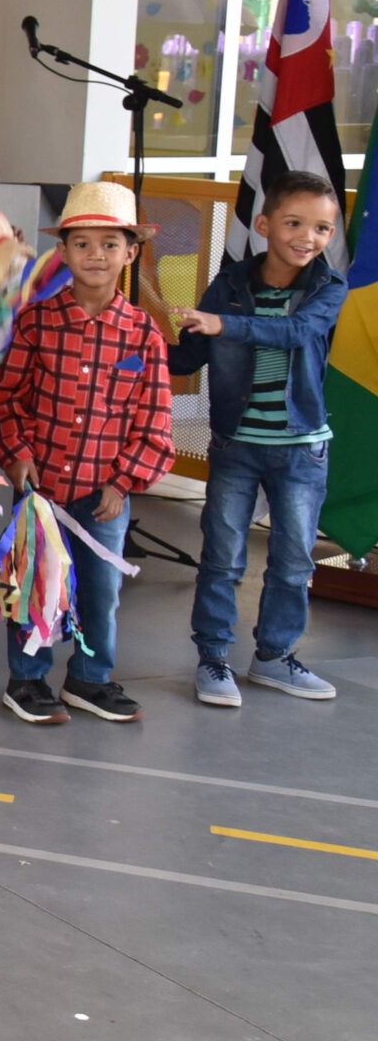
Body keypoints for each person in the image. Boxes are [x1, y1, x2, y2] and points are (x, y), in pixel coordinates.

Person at [0, 180, 174, 727]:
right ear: (62, 252)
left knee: (100, 592)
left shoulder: (143, 336)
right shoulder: (37, 323)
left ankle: (90, 680)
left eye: (110, 244)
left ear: (131, 253)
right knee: (35, 585)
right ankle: (27, 679)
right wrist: (16, 456)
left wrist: (124, 483)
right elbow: (3, 402)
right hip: (41, 496)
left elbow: (154, 422)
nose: (96, 255)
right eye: (82, 243)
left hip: (104, 497)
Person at [171, 170, 345, 708]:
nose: (307, 237)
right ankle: (213, 659)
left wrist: (226, 327)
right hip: (235, 446)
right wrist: (134, 336)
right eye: (294, 223)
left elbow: (297, 334)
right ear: (265, 224)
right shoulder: (228, 286)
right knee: (223, 557)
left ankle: (273, 657)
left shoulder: (328, 287)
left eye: (322, 228)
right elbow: (187, 355)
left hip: (301, 448)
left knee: (294, 560)